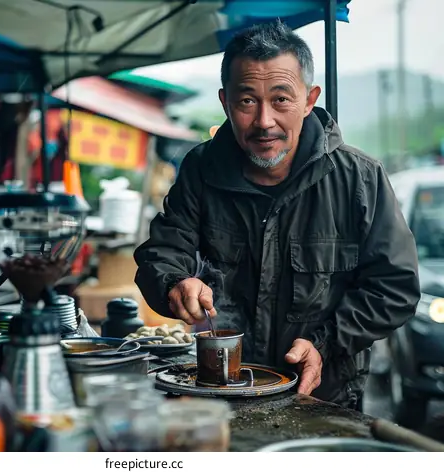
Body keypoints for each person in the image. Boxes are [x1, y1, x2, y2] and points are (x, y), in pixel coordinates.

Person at [133, 21, 421, 410]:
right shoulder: (202, 169)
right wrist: (176, 282)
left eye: (281, 100)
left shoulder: (360, 178)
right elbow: (163, 250)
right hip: (221, 395)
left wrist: (326, 343)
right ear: (225, 102)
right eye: (247, 101)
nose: (265, 121)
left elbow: (394, 287)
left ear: (308, 100)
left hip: (322, 397)